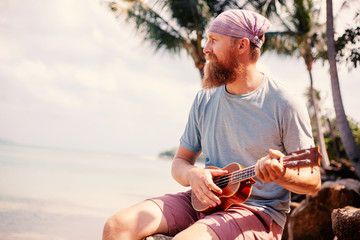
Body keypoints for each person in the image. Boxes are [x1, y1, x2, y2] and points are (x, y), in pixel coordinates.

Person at [102, 9, 321, 240]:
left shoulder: (284, 102)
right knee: (117, 226)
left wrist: (281, 175)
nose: (206, 48)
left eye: (214, 40)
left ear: (241, 46)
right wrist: (194, 175)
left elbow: (313, 180)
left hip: (256, 212)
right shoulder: (204, 99)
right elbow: (180, 162)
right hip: (203, 201)